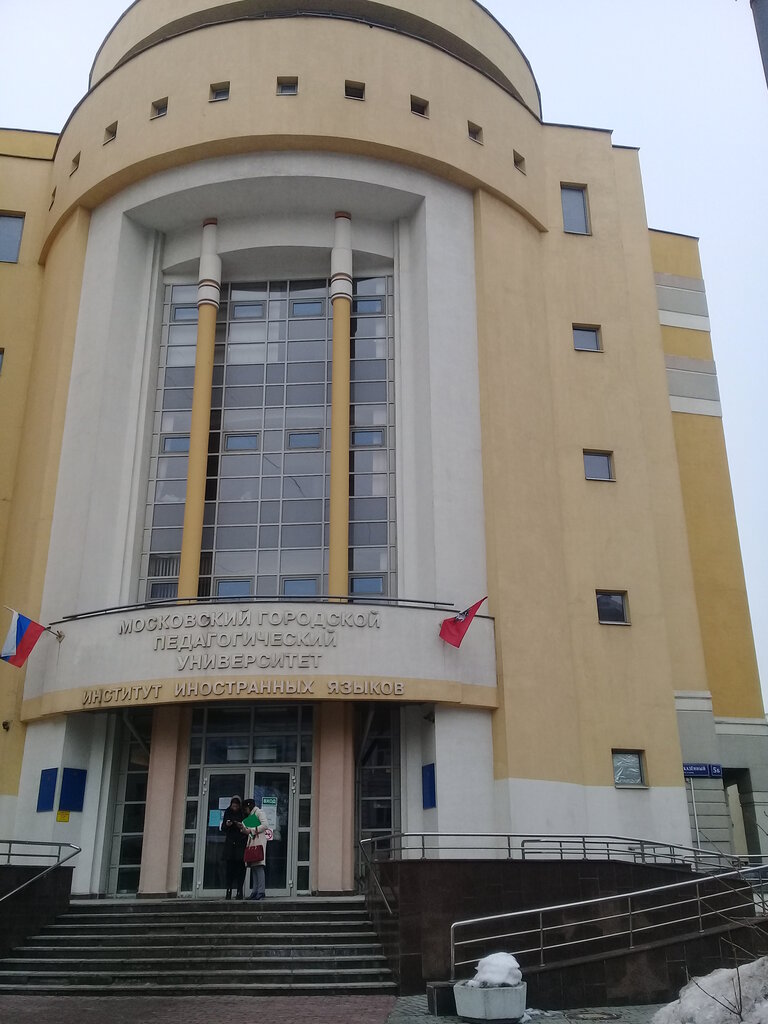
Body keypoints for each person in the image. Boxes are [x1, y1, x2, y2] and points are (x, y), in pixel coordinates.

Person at [219, 795, 246, 900]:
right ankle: (228, 890)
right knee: (229, 869)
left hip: (241, 844)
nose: (234, 808)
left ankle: (239, 890)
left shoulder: (243, 813)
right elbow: (223, 828)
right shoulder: (228, 812)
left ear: (239, 806)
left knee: (241, 869)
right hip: (230, 844)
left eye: (236, 806)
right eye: (233, 806)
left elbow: (250, 826)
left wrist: (241, 826)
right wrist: (227, 824)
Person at [241, 797, 268, 900]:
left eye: (245, 808)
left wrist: (252, 830)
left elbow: (265, 825)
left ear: (249, 807)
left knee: (259, 866)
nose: (245, 811)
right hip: (252, 842)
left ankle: (261, 891)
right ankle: (255, 891)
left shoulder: (259, 813)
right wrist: (243, 829)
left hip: (259, 842)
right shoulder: (250, 817)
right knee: (254, 867)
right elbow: (249, 831)